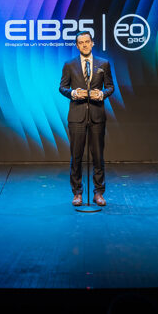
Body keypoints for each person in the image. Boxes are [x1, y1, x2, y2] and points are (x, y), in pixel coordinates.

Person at [59, 30, 114, 206]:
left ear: (92, 43)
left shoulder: (103, 63)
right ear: (77, 46)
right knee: (76, 156)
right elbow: (62, 87)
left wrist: (102, 94)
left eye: (87, 41)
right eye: (81, 42)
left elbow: (110, 87)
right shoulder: (69, 65)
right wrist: (74, 93)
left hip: (97, 116)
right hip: (77, 116)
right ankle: (77, 193)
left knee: (98, 156)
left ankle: (99, 193)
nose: (84, 45)